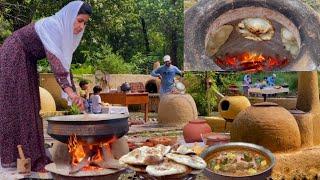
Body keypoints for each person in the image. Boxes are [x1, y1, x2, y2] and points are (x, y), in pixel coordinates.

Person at [0, 1, 92, 171]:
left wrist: (74, 93)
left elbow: (65, 66)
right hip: (13, 54)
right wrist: (71, 94)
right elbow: (56, 64)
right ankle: (16, 157)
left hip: (26, 60)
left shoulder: (64, 33)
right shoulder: (53, 26)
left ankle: (32, 156)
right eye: (79, 20)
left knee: (31, 108)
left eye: (84, 23)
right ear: (70, 16)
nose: (81, 26)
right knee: (19, 108)